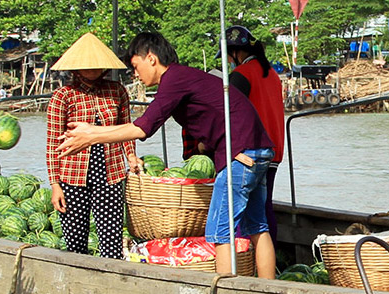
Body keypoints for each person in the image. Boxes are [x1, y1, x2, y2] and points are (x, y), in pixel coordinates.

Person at [57, 31, 276, 278]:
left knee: (220, 231)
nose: (135, 75)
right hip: (259, 150)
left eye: (135, 66)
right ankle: (269, 289)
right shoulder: (184, 77)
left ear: (150, 58)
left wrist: (92, 134)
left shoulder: (174, 78)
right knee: (258, 226)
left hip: (239, 154)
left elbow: (142, 128)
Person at [46, 32, 140, 259]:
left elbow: (125, 130)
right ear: (75, 69)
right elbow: (52, 143)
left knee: (111, 240)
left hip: (111, 172)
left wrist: (132, 157)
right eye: (86, 67)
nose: (91, 70)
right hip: (73, 175)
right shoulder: (63, 96)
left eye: (96, 66)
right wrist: (55, 184)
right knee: (75, 241)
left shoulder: (117, 91)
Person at [220, 26, 285, 244]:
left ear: (236, 53)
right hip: (275, 148)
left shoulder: (240, 75)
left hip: (252, 149)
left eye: (228, 56)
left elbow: (229, 113)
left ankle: (245, 259)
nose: (228, 61)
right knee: (265, 207)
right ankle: (271, 258)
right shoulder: (271, 73)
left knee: (243, 208)